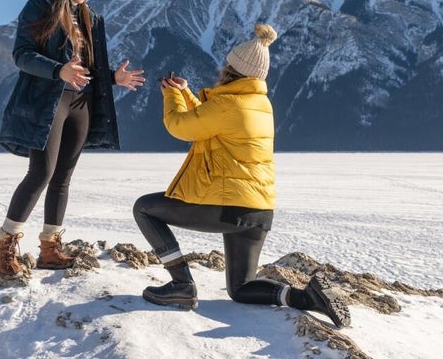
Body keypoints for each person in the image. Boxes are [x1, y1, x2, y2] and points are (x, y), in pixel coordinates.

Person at [132, 24, 351, 327]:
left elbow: (182, 127)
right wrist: (185, 92)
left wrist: (172, 96)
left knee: (144, 208)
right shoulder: (260, 104)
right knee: (242, 288)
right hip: (258, 210)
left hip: (228, 207)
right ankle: (306, 297)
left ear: (231, 70)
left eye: (226, 65)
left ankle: (181, 285)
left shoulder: (227, 104)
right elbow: (211, 123)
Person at [0, 0, 145, 279]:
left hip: (81, 103)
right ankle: (5, 244)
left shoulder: (91, 17)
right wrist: (57, 70)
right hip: (47, 102)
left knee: (63, 178)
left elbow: (89, 67)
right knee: (41, 173)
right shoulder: (42, 7)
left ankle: (50, 248)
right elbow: (21, 55)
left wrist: (113, 77)